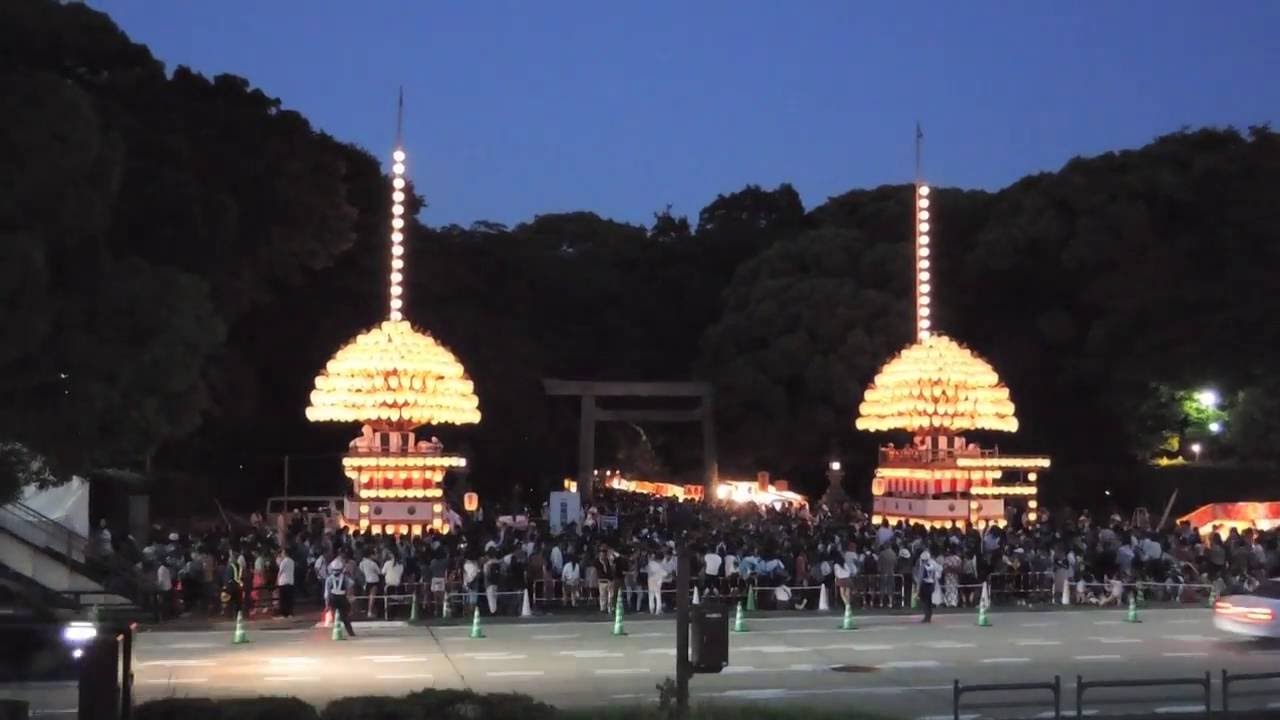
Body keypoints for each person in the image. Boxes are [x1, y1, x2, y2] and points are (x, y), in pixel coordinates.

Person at [325, 564, 357, 637]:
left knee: (334, 616)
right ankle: (350, 632)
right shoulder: (345, 577)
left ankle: (335, 631)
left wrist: (326, 604)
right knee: (345, 616)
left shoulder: (329, 579)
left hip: (333, 598)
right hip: (342, 598)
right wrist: (349, 593)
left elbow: (327, 593)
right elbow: (351, 584)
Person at [917, 548, 941, 623]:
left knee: (924, 600)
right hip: (931, 583)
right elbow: (937, 574)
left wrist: (918, 585)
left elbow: (920, 576)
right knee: (929, 601)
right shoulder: (933, 564)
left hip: (924, 583)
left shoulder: (923, 565)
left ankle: (926, 615)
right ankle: (929, 615)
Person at [276, 548, 296, 618]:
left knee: (283, 599)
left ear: (285, 554)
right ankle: (290, 613)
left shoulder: (284, 562)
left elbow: (280, 572)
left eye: (283, 553)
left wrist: (277, 580)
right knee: (289, 599)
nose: (282, 554)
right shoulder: (292, 561)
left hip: (283, 582)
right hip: (290, 581)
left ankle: (283, 614)